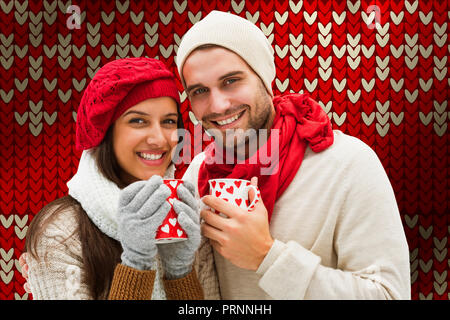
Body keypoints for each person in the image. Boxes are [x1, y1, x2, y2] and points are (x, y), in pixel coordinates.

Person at [175, 10, 411, 299]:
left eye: (231, 81)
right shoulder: (199, 173)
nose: (218, 105)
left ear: (264, 77)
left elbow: (390, 295)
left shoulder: (348, 164)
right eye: (199, 90)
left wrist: (266, 257)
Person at [22, 57, 219, 299]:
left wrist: (179, 272)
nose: (159, 138)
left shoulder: (186, 218)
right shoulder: (60, 234)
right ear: (106, 131)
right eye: (138, 121)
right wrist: (136, 263)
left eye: (168, 121)